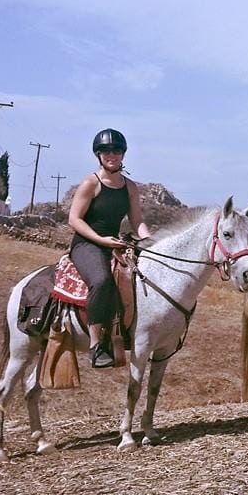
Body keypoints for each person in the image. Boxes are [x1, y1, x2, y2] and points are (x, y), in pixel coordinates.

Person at [68, 129, 151, 367]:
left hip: (114, 242)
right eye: (106, 151)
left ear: (123, 154)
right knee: (102, 280)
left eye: (116, 150)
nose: (111, 155)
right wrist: (101, 240)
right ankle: (96, 345)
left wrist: (149, 241)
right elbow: (74, 219)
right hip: (87, 243)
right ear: (98, 155)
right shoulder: (90, 183)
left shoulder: (130, 187)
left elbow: (137, 221)